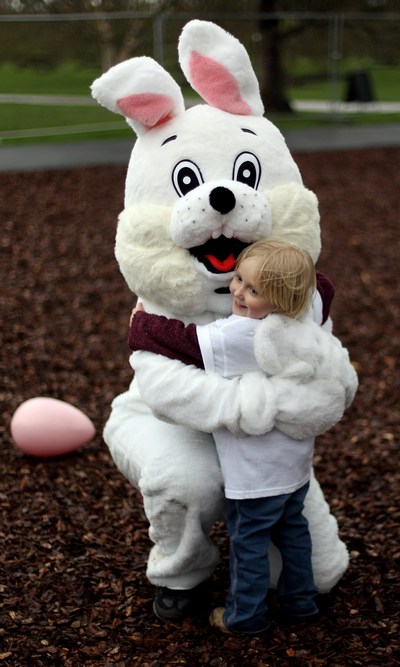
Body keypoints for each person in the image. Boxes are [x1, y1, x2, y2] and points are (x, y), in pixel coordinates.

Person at [128, 239, 327, 635]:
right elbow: (325, 287)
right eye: (238, 278)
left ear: (282, 299)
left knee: (249, 545)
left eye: (254, 290)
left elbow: (182, 342)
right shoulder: (307, 312)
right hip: (294, 465)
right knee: (293, 532)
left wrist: (140, 320)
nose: (237, 291)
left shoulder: (244, 336)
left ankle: (246, 616)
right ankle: (301, 602)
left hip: (254, 476)